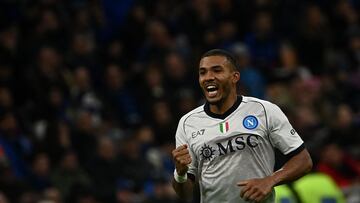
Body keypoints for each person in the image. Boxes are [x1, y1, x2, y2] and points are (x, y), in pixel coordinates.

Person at [171, 49, 313, 203]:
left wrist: (270, 180)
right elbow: (185, 194)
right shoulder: (187, 123)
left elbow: (304, 161)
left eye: (217, 70)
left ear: (235, 77)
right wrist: (180, 173)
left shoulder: (264, 110)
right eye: (203, 73)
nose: (209, 77)